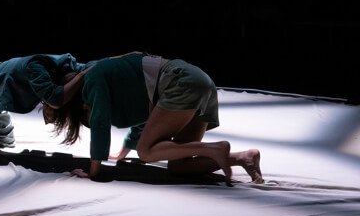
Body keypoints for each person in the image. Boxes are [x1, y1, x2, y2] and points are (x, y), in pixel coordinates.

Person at [43, 52, 264, 186]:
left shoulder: (92, 77)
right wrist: (124, 151)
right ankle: (243, 158)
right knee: (179, 167)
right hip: (199, 82)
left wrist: (93, 171)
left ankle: (214, 148)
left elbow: (100, 121)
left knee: (146, 152)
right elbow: (146, 119)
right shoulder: (112, 77)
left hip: (181, 82)